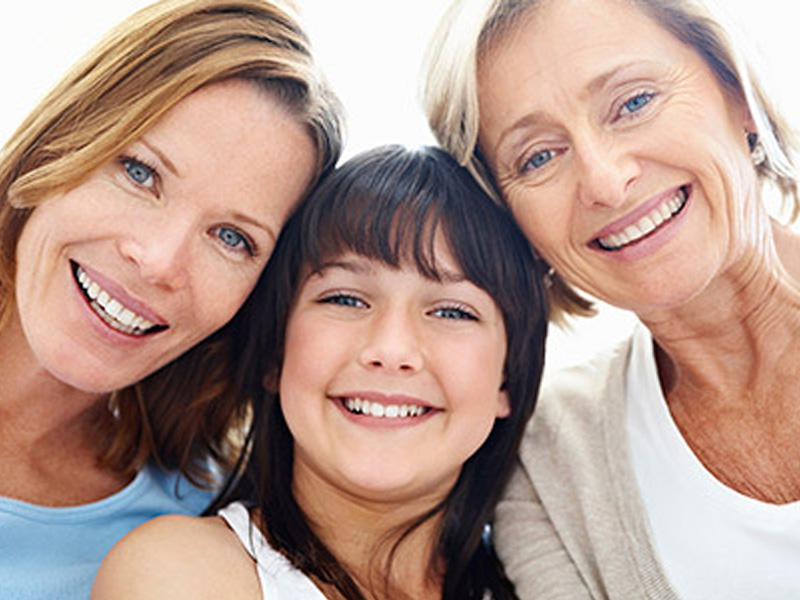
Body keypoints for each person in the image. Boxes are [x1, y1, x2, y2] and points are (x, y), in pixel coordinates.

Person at [423, 0, 800, 598]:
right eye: (538, 157)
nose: (605, 181)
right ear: (511, 221)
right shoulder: (546, 467)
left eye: (634, 102)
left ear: (738, 93)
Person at [90, 144, 548, 600]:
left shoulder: (548, 579)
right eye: (345, 299)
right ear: (275, 353)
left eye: (451, 312)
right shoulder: (181, 576)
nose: (391, 351)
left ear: (508, 377)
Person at [0, 0, 343, 597]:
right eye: (140, 172)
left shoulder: (209, 539)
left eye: (231, 238)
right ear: (61, 140)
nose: (159, 262)